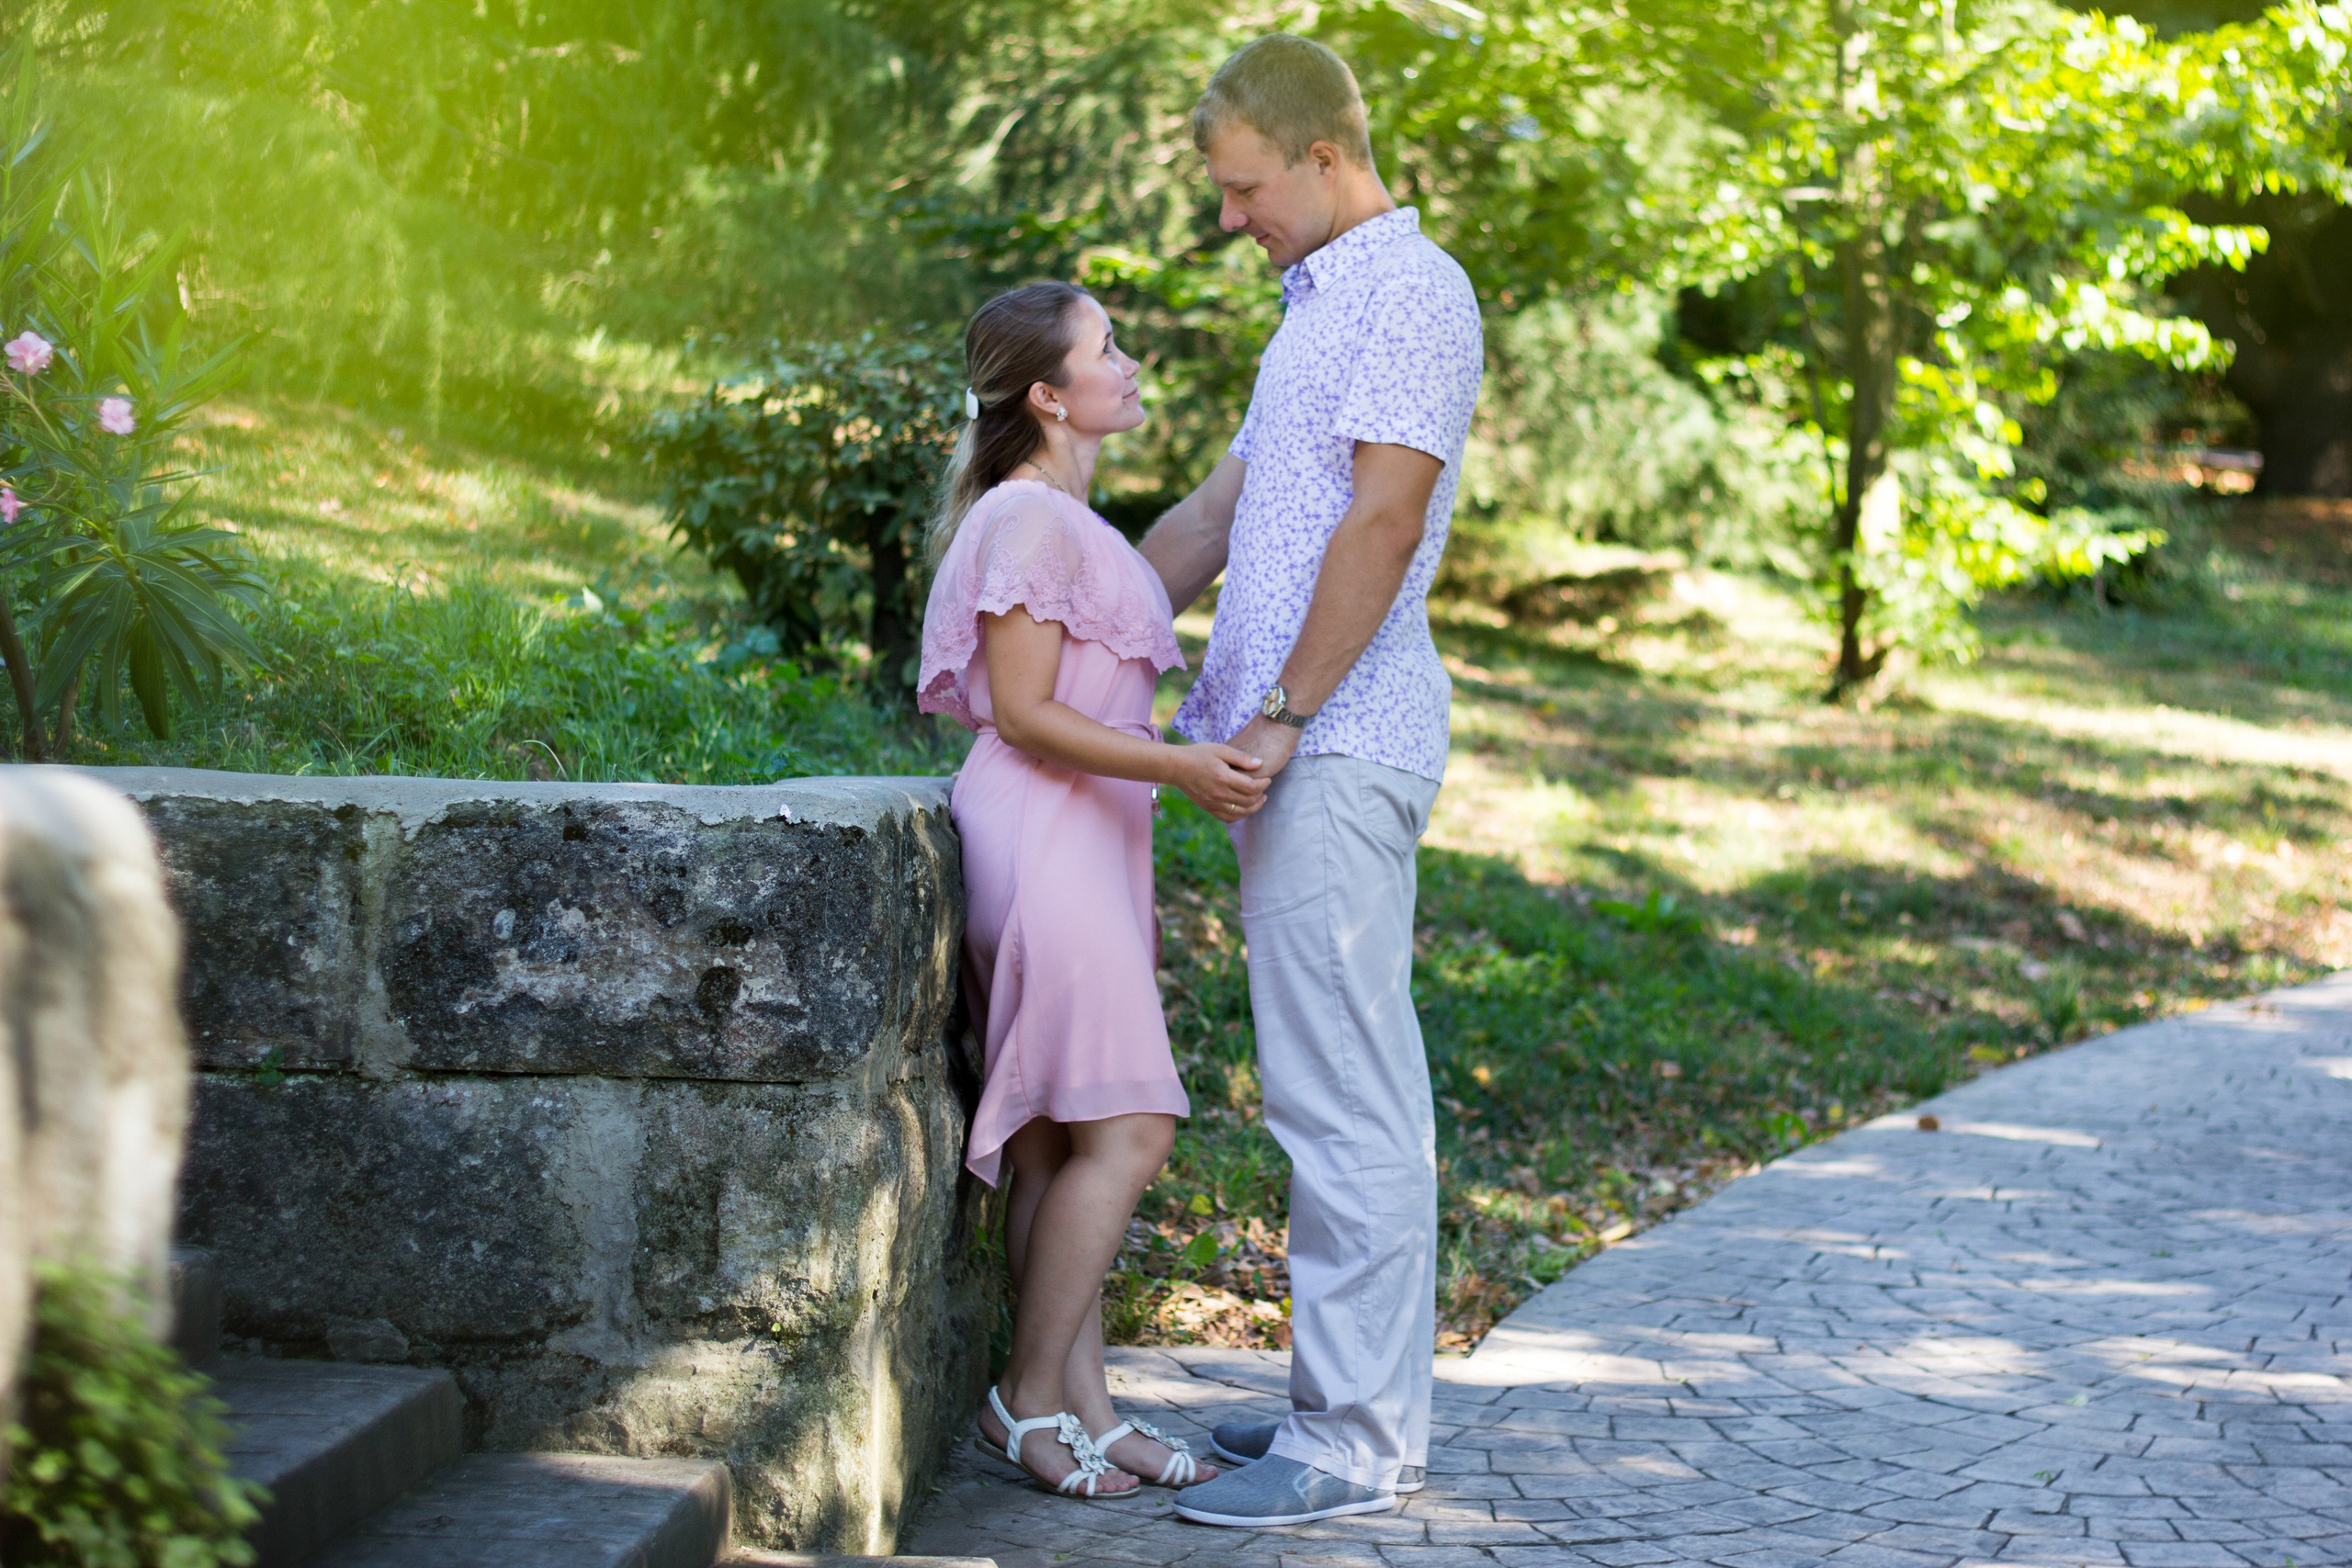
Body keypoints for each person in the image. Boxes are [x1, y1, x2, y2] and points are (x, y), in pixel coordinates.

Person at [1136, 35, 1485, 1529]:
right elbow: (1222, 511)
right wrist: (1057, 614)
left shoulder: (1415, 292)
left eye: (1243, 188)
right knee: (1324, 1093)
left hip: (1334, 747)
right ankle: (1332, 1410)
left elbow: (1385, 525)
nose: (1230, 218)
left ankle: (1352, 1446)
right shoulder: (1321, 306)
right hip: (1297, 750)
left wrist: (1278, 715)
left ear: (1325, 159)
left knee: (1346, 1104)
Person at [917, 281, 1272, 1498]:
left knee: (1068, 1138)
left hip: (1091, 843)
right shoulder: (1023, 520)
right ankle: (1023, 1398)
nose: (1130, 361)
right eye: (1106, 347)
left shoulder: (1074, 521)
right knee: (1132, 1126)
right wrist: (1180, 765)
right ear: (1047, 393)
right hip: (1043, 834)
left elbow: (1204, 523)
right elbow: (1024, 713)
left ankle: (1087, 1408)